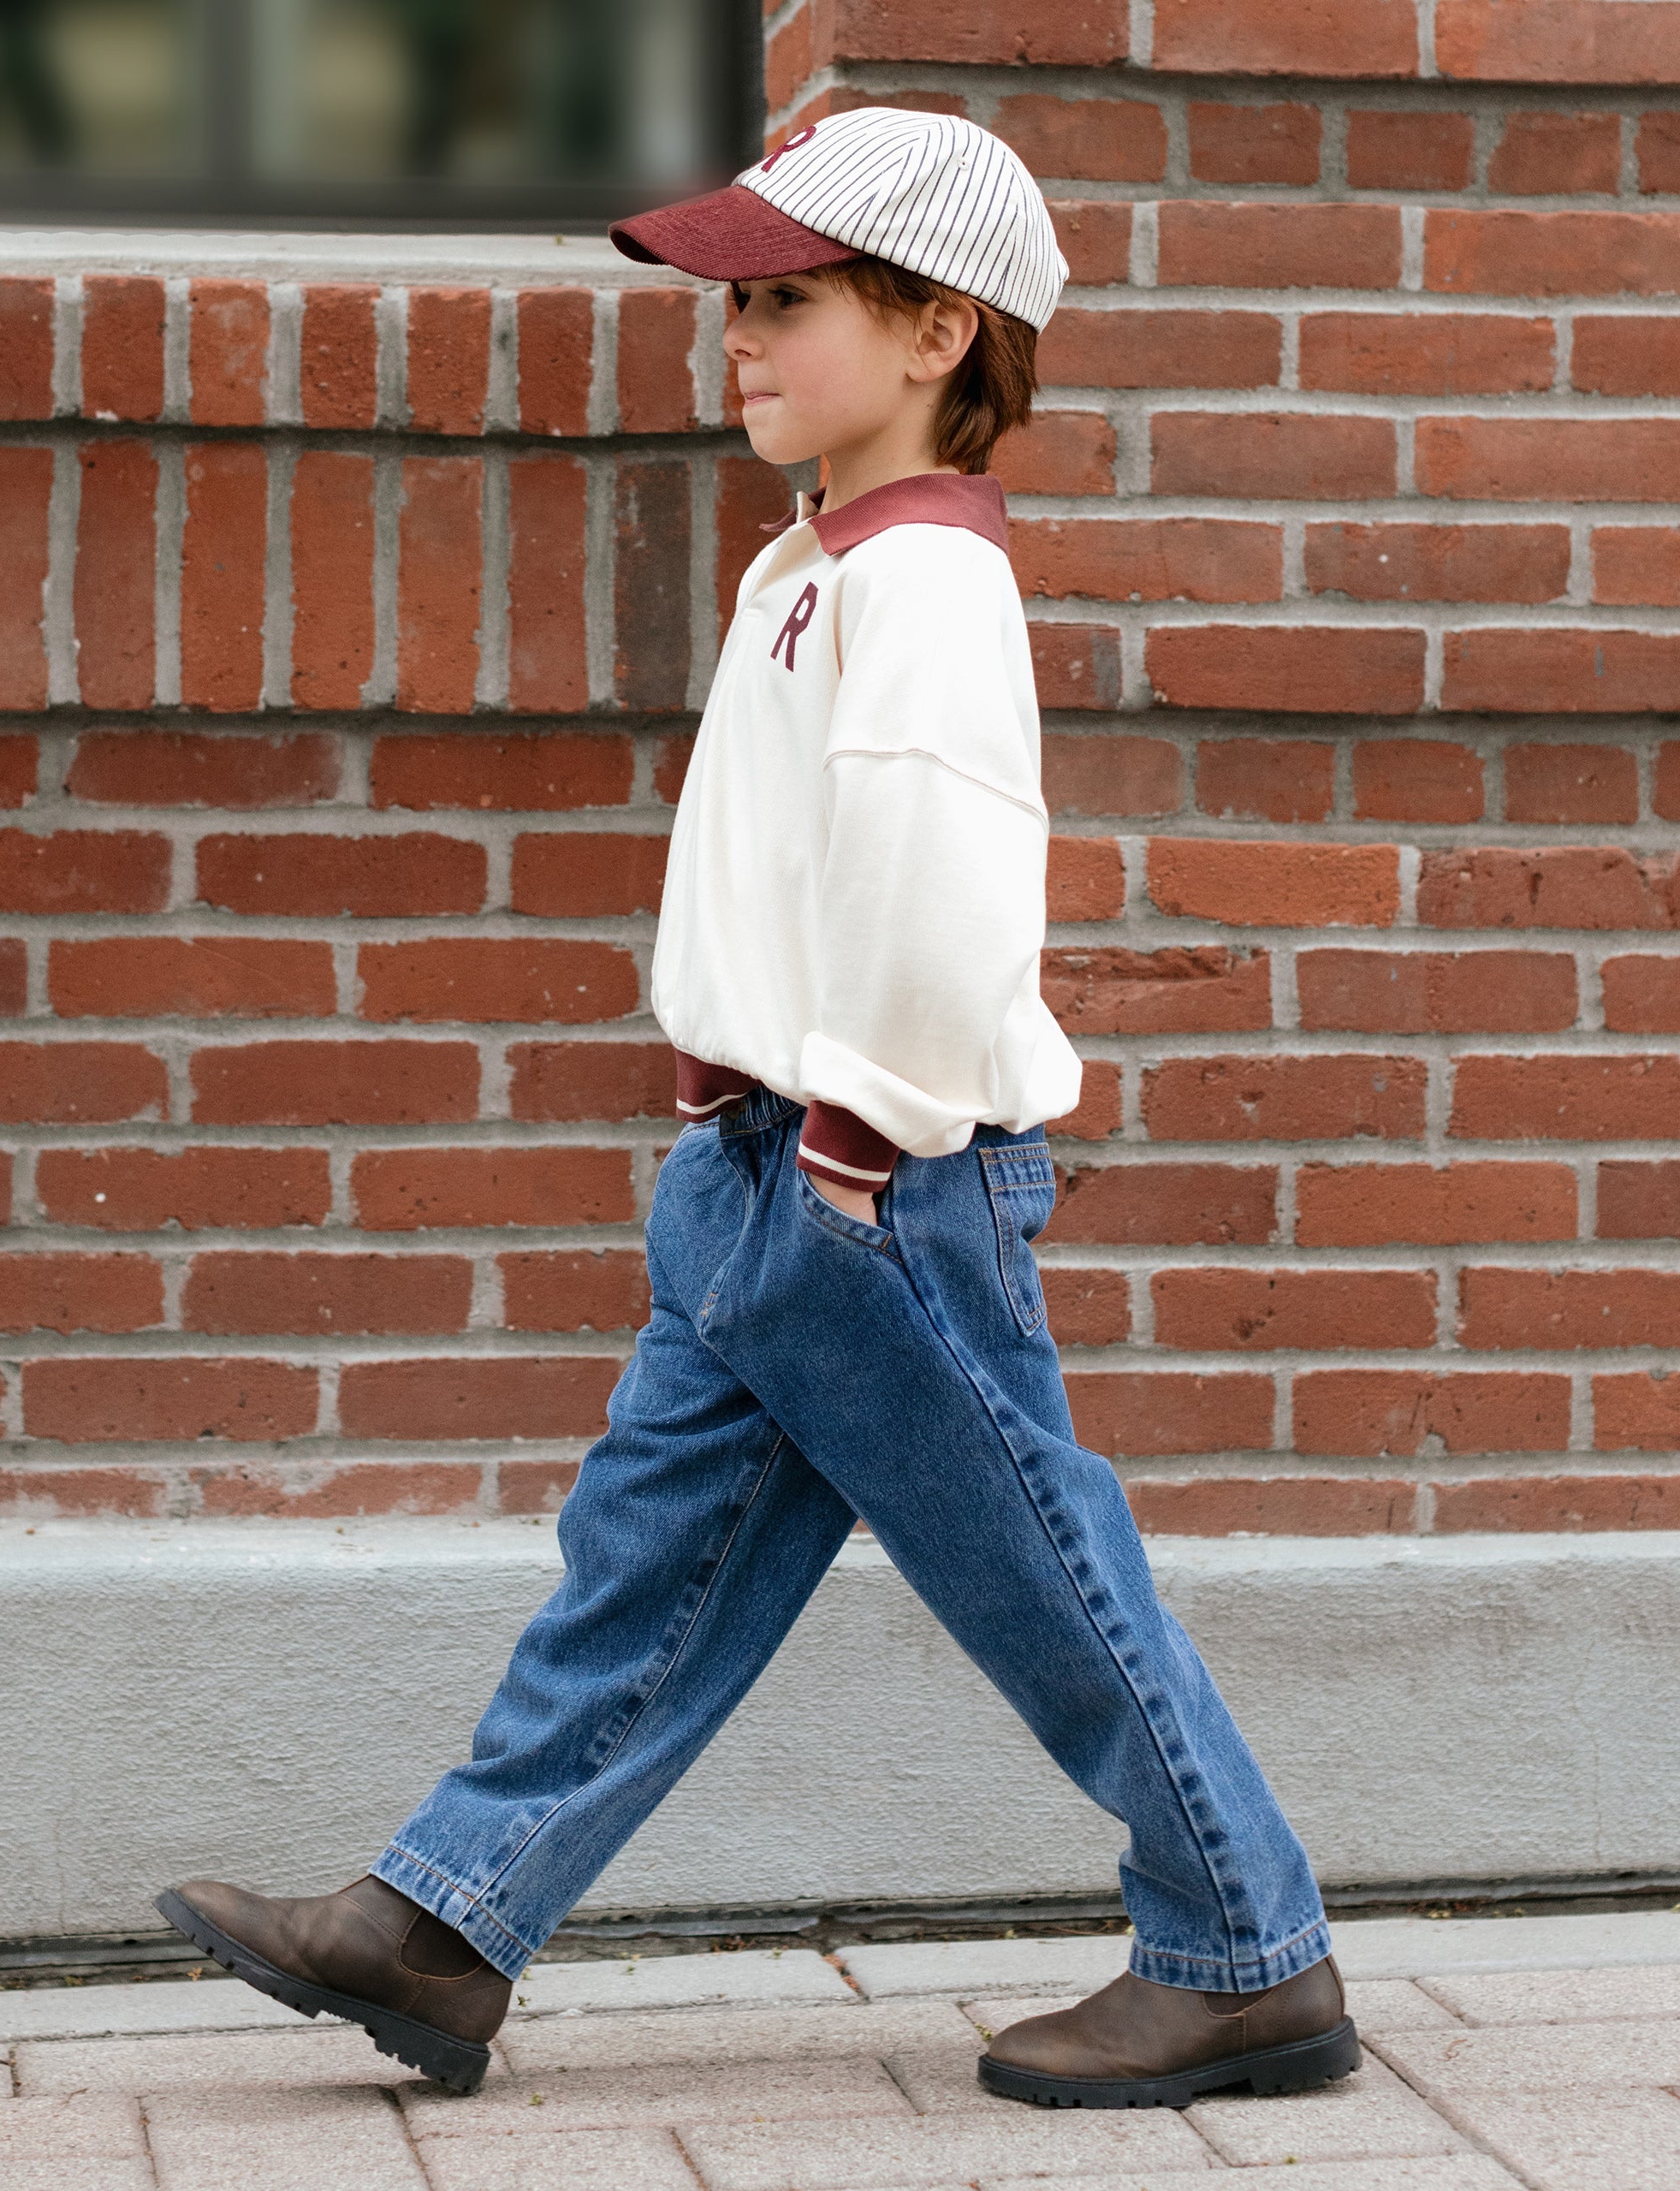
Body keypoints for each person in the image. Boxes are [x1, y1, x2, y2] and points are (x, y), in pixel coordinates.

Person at [156, 106, 1360, 2113]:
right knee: (645, 1561)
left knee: (1040, 1575)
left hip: (870, 1175)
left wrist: (855, 1145)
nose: (737, 333)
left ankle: (1246, 1950)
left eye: (785, 298)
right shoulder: (810, 560)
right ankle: (447, 1920)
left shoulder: (926, 585)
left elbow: (937, 880)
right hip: (758, 1173)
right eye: (734, 296)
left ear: (937, 332)